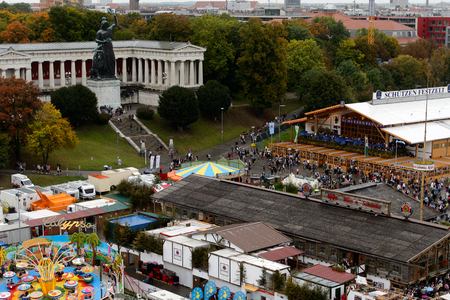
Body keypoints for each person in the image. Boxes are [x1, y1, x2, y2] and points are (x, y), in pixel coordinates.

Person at [90, 8, 118, 79]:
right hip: (102, 48)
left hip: (109, 47)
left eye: (106, 24)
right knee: (103, 61)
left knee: (111, 60)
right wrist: (104, 41)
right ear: (102, 25)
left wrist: (114, 15)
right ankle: (102, 74)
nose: (106, 26)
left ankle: (111, 74)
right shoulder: (99, 32)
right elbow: (96, 40)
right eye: (104, 24)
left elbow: (115, 24)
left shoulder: (109, 29)